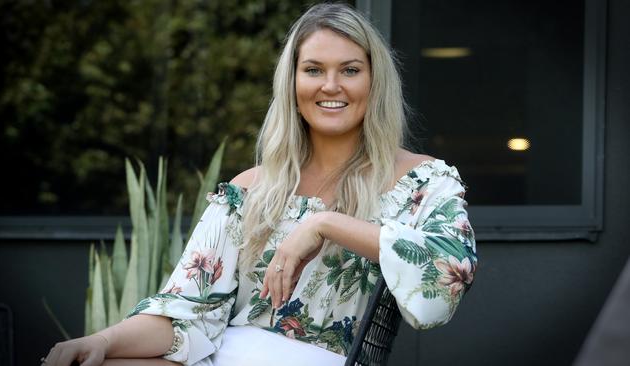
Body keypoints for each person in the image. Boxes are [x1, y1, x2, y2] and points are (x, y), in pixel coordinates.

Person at [42, 3, 477, 366]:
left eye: (349, 70)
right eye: (313, 69)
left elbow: (445, 281)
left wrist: (325, 224)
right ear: (291, 83)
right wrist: (101, 341)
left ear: (373, 81)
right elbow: (185, 311)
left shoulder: (421, 181)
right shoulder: (250, 189)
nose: (330, 86)